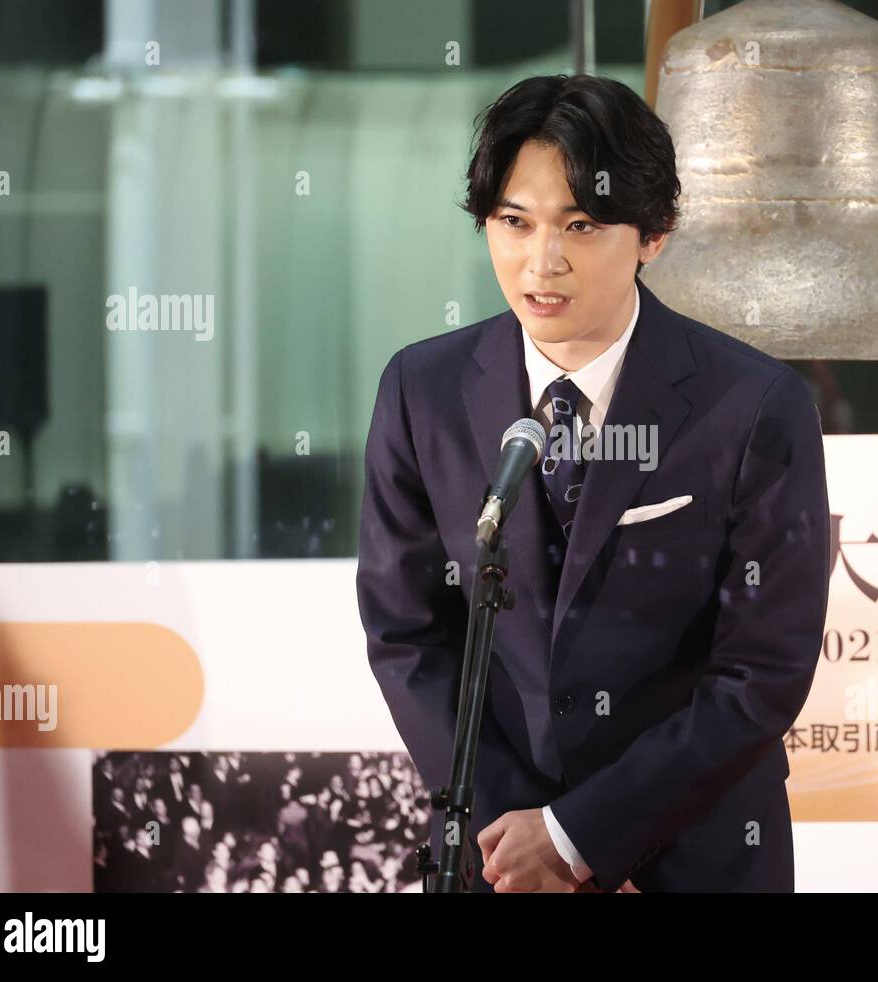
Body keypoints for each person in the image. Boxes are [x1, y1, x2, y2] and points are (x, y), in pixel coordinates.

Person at [356, 74, 830, 893]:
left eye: (582, 225)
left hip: (696, 856)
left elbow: (762, 672)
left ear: (654, 233)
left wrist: (578, 838)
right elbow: (407, 634)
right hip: (495, 858)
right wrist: (517, 839)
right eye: (515, 222)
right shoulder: (419, 391)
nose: (544, 262)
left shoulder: (754, 406)